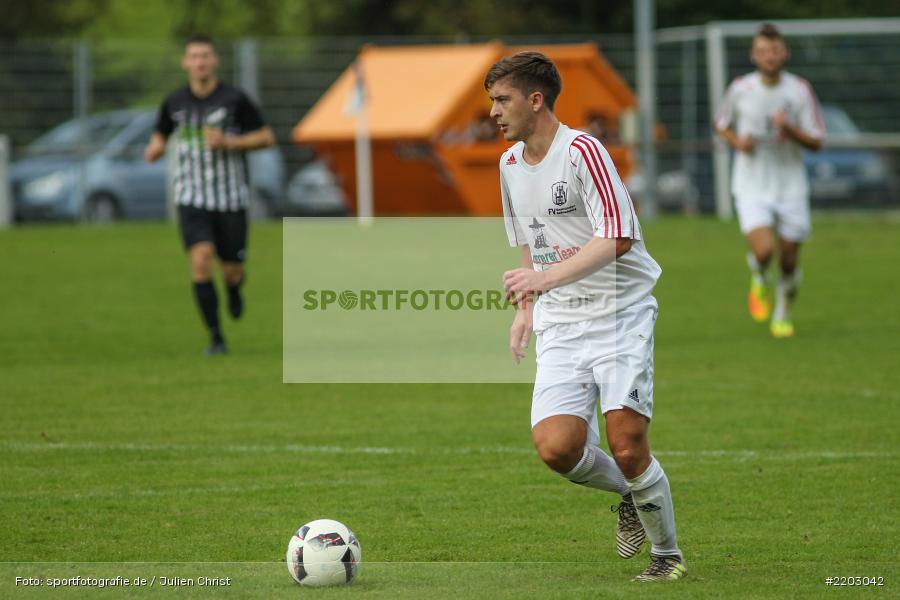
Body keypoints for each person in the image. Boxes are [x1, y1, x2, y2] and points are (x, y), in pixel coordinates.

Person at [486, 51, 685, 582]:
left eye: (502, 100)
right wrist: (525, 308)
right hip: (561, 320)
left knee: (626, 443)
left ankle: (667, 557)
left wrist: (543, 281)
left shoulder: (583, 151)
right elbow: (531, 241)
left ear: (536, 99)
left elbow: (618, 235)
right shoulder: (508, 165)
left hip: (620, 313)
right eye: (492, 102)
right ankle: (629, 496)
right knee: (556, 447)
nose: (493, 113)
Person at [144, 34, 275, 355]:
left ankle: (234, 288)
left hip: (230, 198)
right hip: (191, 197)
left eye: (205, 56)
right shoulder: (174, 103)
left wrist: (231, 143)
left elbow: (266, 137)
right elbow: (159, 137)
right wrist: (155, 149)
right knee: (201, 260)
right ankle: (216, 337)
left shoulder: (234, 99)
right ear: (185, 63)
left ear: (215, 61)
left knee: (232, 269)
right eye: (194, 56)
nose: (200, 61)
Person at [715, 23, 825, 338]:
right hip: (751, 184)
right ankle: (760, 276)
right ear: (754, 55)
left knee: (789, 259)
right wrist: (738, 143)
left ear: (784, 53)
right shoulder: (740, 88)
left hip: (790, 184)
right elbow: (721, 124)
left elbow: (817, 141)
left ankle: (782, 314)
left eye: (775, 50)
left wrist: (788, 129)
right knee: (765, 251)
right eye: (763, 51)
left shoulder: (799, 89)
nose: (769, 56)